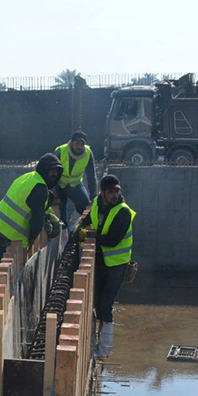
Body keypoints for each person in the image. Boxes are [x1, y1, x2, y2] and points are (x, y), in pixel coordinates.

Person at [78, 174, 135, 357]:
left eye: (117, 191)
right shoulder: (97, 203)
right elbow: (88, 220)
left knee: (106, 304)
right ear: (101, 192)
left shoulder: (123, 212)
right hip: (102, 261)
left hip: (117, 265)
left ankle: (103, 351)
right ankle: (96, 343)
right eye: (111, 192)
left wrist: (88, 236)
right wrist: (80, 229)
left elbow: (111, 240)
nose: (115, 195)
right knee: (96, 303)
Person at [0, 153, 63, 264]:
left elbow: (30, 206)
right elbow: (37, 220)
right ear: (44, 169)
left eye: (57, 171)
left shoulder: (27, 177)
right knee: (12, 278)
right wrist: (31, 241)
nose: (54, 174)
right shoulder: (40, 188)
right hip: (6, 240)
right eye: (52, 170)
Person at [54, 131, 96, 231]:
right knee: (61, 207)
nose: (79, 147)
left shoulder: (88, 154)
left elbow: (91, 175)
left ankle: (73, 223)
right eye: (77, 143)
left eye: (82, 144)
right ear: (71, 142)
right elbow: (51, 171)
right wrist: (51, 190)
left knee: (83, 202)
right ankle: (63, 231)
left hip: (75, 184)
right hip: (59, 184)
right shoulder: (60, 151)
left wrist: (93, 195)